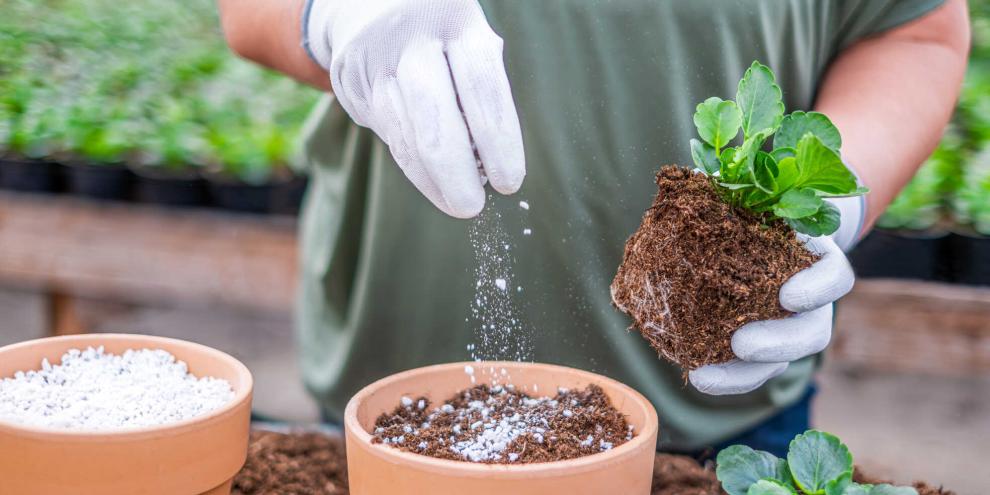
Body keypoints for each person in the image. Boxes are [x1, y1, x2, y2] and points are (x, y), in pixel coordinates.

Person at [217, 0, 969, 456]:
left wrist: (836, 199)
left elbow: (915, 29)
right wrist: (331, 11)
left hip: (721, 420)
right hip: (397, 407)